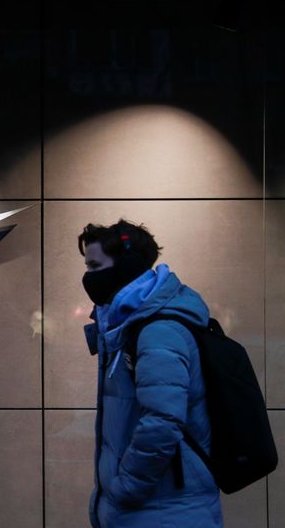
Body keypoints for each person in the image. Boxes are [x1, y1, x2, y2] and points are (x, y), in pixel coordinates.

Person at [79, 219, 222, 527]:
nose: (88, 277)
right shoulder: (126, 328)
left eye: (94, 266)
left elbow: (162, 423)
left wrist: (125, 489)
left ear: (127, 267)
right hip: (152, 510)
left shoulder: (157, 331)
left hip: (164, 511)